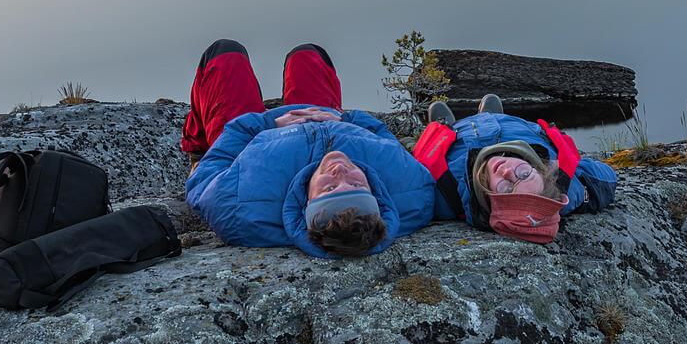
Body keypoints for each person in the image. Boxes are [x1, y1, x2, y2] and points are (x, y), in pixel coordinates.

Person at [182, 39, 434, 258]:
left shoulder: (236, 209)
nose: (340, 171)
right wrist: (345, 120)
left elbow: (202, 180)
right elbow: (383, 136)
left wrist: (266, 123)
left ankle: (196, 144)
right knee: (309, 55)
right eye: (357, 186)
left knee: (225, 54)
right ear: (376, 198)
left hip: (249, 133)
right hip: (325, 116)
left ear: (306, 203)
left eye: (330, 188)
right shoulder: (413, 193)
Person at [413, 95, 617, 242]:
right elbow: (606, 178)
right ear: (540, 171)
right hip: (514, 126)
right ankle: (492, 115)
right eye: (524, 174)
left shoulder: (444, 196)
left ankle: (443, 124)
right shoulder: (558, 185)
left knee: (446, 130)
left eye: (507, 189)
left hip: (461, 132)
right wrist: (579, 190)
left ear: (488, 197)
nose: (508, 172)